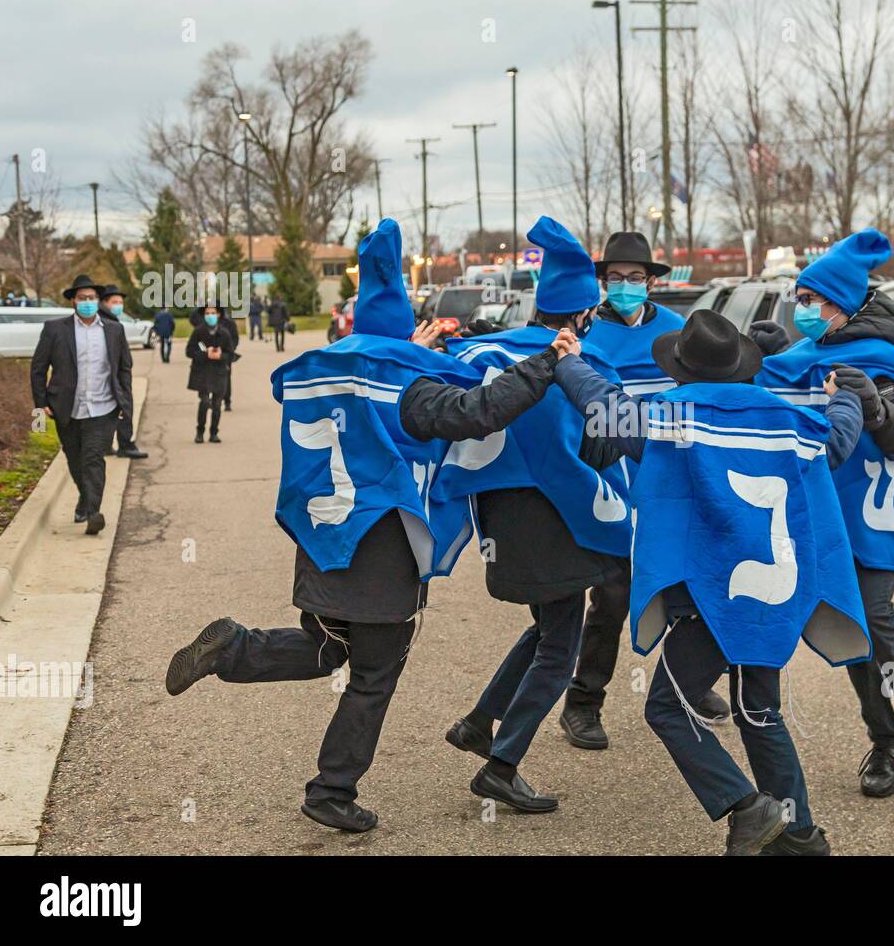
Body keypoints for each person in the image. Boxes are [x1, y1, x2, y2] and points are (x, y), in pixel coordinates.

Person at [164, 218, 576, 833]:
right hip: (380, 551)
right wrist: (546, 361)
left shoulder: (329, 370)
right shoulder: (409, 389)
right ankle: (331, 792)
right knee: (374, 675)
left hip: (325, 542)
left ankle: (236, 648)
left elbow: (380, 381)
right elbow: (481, 410)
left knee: (330, 646)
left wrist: (407, 347)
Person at [553, 309, 872, 854]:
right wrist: (844, 395)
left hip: (717, 591)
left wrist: (569, 363)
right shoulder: (787, 418)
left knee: (667, 707)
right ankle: (799, 836)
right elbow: (839, 441)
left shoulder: (674, 414)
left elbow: (605, 408)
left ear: (681, 369)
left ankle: (748, 808)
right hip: (778, 588)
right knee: (756, 710)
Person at [435, 215, 632, 814]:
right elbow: (607, 443)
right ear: (582, 315)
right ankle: (503, 764)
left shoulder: (488, 351)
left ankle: (479, 721)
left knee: (548, 625)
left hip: (501, 519)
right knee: (560, 648)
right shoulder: (582, 363)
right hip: (559, 519)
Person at [754, 229, 894, 800]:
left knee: (872, 609)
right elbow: (786, 401)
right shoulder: (806, 355)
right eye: (800, 301)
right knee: (854, 628)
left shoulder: (882, 362)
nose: (804, 312)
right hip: (824, 517)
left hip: (874, 517)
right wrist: (770, 356)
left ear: (843, 306)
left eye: (813, 302)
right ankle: (886, 742)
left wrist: (874, 405)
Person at [560, 230, 730, 750]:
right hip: (610, 479)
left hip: (670, 483)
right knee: (611, 593)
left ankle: (686, 685)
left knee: (686, 584)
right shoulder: (587, 335)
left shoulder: (680, 331)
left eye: (637, 278)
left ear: (653, 282)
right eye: (616, 279)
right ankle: (583, 703)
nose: (627, 286)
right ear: (602, 282)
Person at [29, 274, 133, 535]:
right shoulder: (55, 329)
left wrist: (125, 402)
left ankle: (94, 513)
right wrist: (41, 404)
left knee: (93, 458)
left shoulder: (113, 330)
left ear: (99, 301)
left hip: (104, 407)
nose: (87, 302)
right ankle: (85, 500)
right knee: (75, 459)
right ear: (73, 301)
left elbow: (123, 368)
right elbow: (38, 369)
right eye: (82, 298)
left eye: (92, 298)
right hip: (67, 408)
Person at [98, 286, 148, 459]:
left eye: (120, 302)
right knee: (123, 410)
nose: (119, 306)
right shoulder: (106, 323)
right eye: (115, 302)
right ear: (104, 303)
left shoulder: (111, 321)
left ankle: (106, 445)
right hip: (116, 376)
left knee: (111, 411)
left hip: (118, 373)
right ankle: (125, 445)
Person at [186, 303, 234, 443]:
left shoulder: (224, 333)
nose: (210, 316)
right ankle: (200, 431)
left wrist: (220, 356)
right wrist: (205, 354)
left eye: (213, 313)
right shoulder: (198, 332)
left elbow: (231, 354)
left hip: (219, 373)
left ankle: (214, 432)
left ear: (218, 314)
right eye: (207, 313)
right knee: (205, 402)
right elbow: (189, 351)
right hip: (202, 372)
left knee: (217, 404)